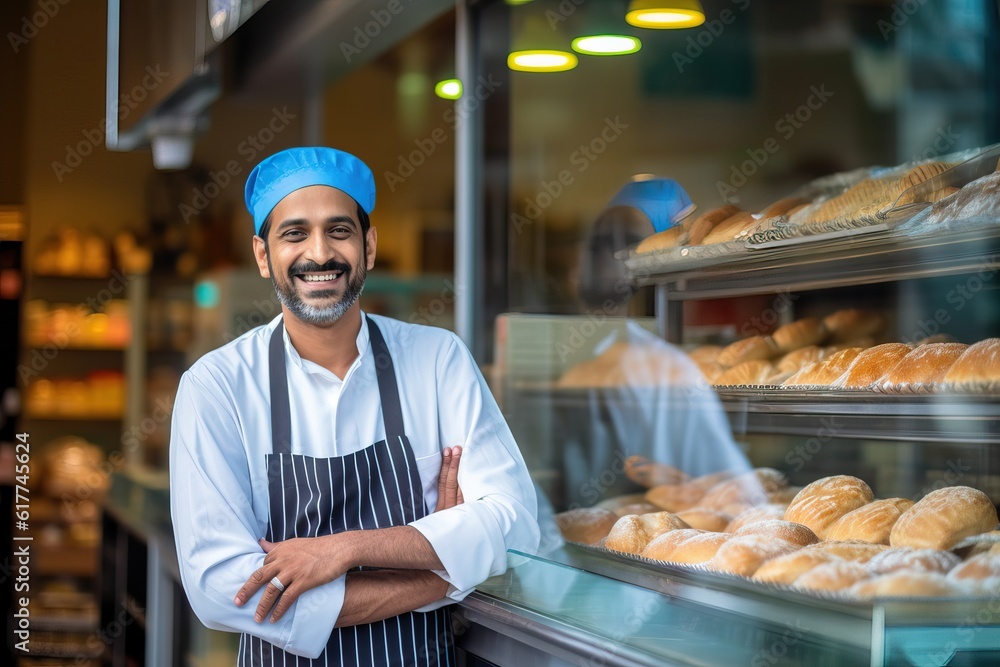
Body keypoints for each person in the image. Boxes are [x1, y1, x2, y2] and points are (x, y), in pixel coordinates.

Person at [169, 147, 540, 664]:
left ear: (368, 246)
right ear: (262, 255)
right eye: (294, 233)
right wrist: (437, 567)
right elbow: (221, 590)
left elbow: (516, 523)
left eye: (339, 231)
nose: (319, 253)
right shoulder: (217, 386)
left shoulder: (437, 359)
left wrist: (345, 549)